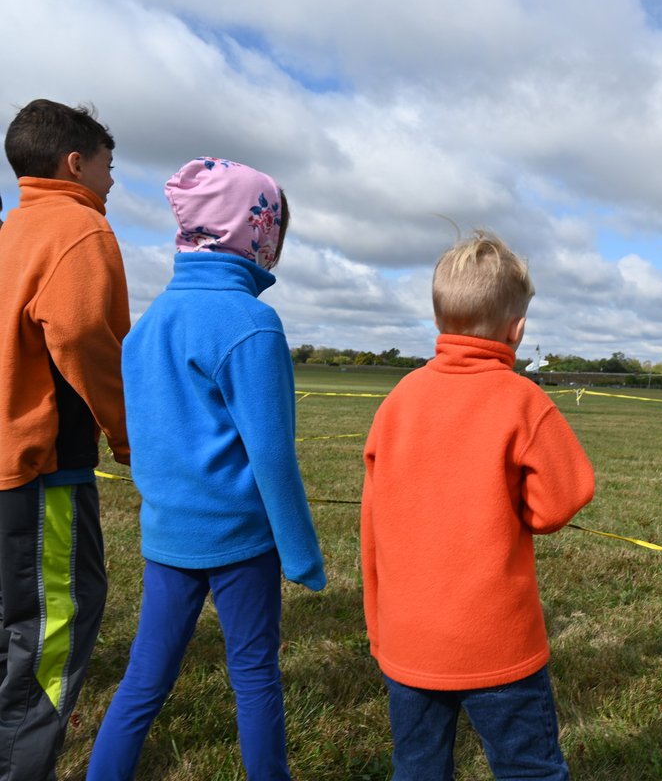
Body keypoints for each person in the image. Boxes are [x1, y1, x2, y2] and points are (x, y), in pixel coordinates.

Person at [86, 158, 326, 780]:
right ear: (258, 234)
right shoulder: (251, 323)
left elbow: (147, 436)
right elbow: (272, 454)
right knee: (254, 676)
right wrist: (301, 553)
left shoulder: (151, 323)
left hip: (167, 535)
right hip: (241, 540)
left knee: (145, 676)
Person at [361, 230, 595, 780]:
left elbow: (371, 524)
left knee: (417, 769)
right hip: (498, 645)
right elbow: (562, 498)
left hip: (408, 640)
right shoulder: (522, 399)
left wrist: (379, 627)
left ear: (440, 318)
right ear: (517, 330)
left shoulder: (398, 401)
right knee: (528, 769)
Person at [0, 99, 129, 780]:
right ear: (75, 162)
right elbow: (82, 336)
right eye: (109, 167)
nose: (112, 183)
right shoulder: (80, 227)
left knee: (11, 615)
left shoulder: (11, 230)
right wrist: (128, 435)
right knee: (56, 621)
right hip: (40, 466)